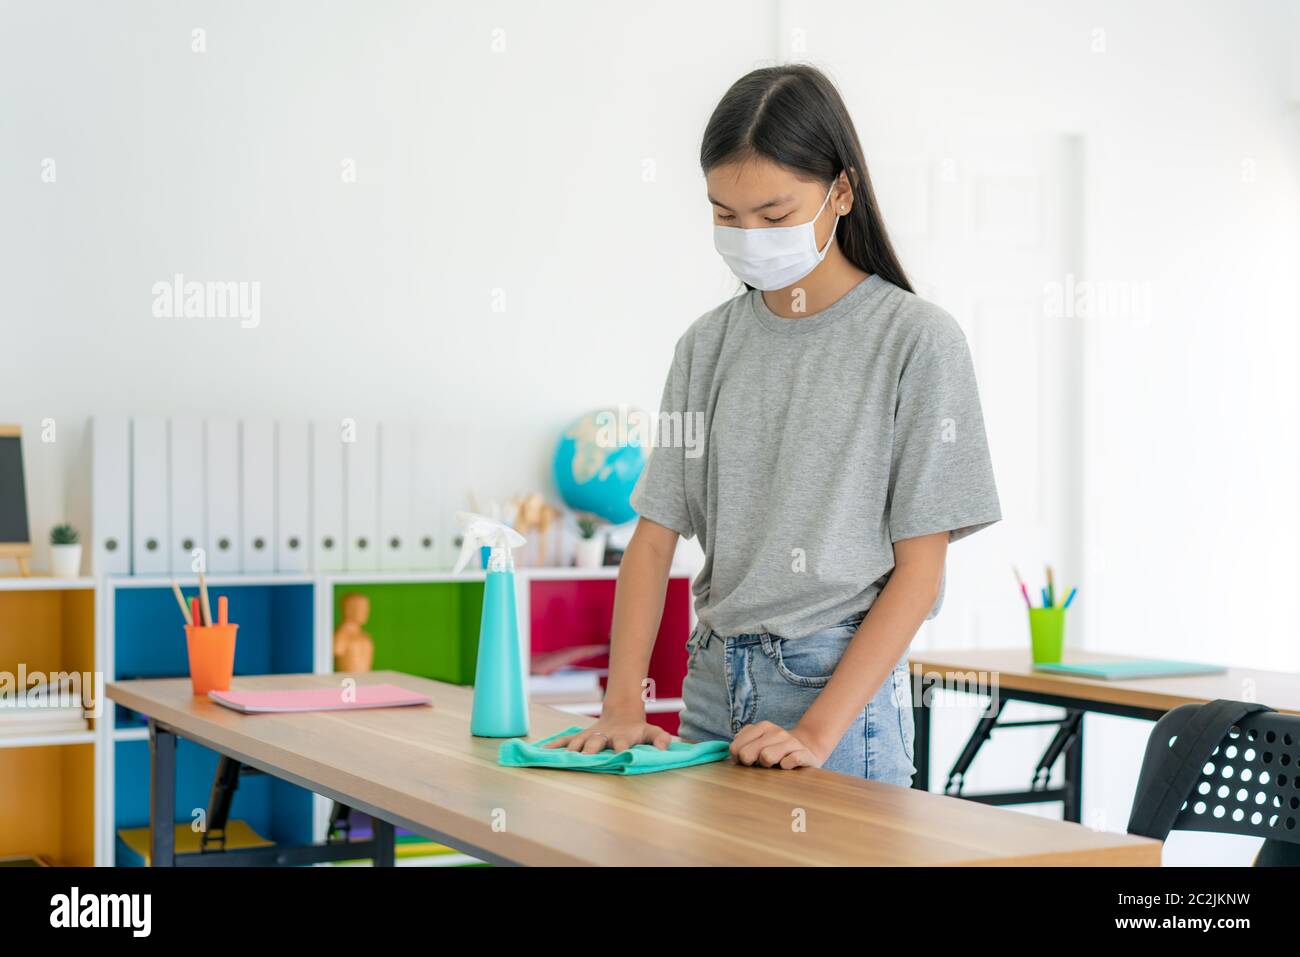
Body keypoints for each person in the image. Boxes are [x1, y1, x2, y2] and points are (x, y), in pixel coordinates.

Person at [544, 64, 1001, 783]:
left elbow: (921, 571)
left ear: (841, 191)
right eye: (725, 214)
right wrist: (623, 705)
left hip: (836, 698)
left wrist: (816, 732)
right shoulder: (706, 345)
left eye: (774, 215)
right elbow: (654, 535)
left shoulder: (916, 341)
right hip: (712, 685)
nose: (748, 235)